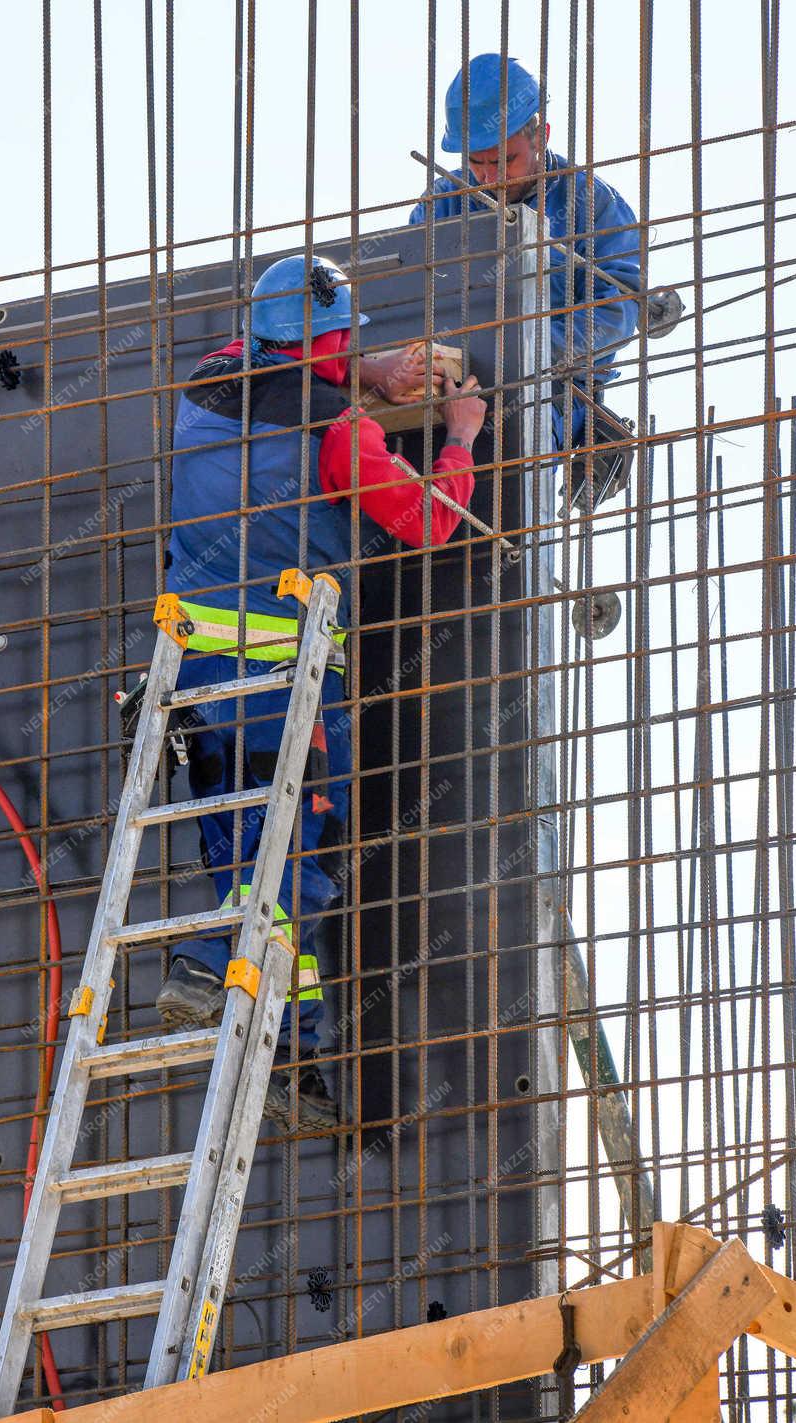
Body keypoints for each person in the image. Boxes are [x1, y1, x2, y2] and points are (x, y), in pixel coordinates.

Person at [155, 253, 487, 1130]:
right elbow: (427, 520)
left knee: (246, 855)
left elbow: (279, 369)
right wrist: (458, 435)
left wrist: (370, 373)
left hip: (192, 671)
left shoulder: (210, 382)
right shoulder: (340, 431)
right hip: (278, 674)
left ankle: (292, 1048)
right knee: (301, 854)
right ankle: (201, 960)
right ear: (333, 340)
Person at [409, 53, 641, 510]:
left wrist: (524, 350)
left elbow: (618, 311)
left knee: (512, 499)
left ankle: (587, 430)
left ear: (542, 136)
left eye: (505, 160)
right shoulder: (443, 203)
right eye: (477, 162)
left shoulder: (591, 203)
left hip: (551, 391)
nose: (489, 177)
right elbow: (404, 294)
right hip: (454, 387)